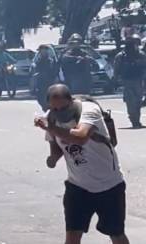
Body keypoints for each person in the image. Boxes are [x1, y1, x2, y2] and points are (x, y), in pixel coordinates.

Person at [34, 84, 129, 244]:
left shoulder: (89, 110)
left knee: (116, 234)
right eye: (54, 109)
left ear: (71, 101)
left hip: (109, 185)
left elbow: (81, 137)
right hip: (77, 187)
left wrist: (50, 127)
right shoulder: (51, 117)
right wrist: (52, 159)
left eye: (63, 108)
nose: (59, 113)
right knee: (72, 235)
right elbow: (56, 148)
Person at [114, 35, 146, 128]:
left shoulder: (141, 55)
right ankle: (134, 120)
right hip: (126, 81)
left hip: (139, 80)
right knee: (130, 101)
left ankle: (137, 119)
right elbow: (116, 69)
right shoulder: (121, 56)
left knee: (138, 101)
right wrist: (115, 81)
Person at [34, 45, 59, 111]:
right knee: (40, 97)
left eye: (44, 50)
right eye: (41, 50)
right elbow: (35, 69)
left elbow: (55, 69)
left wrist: (55, 77)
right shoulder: (38, 60)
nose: (42, 52)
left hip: (50, 81)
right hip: (41, 81)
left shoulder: (51, 60)